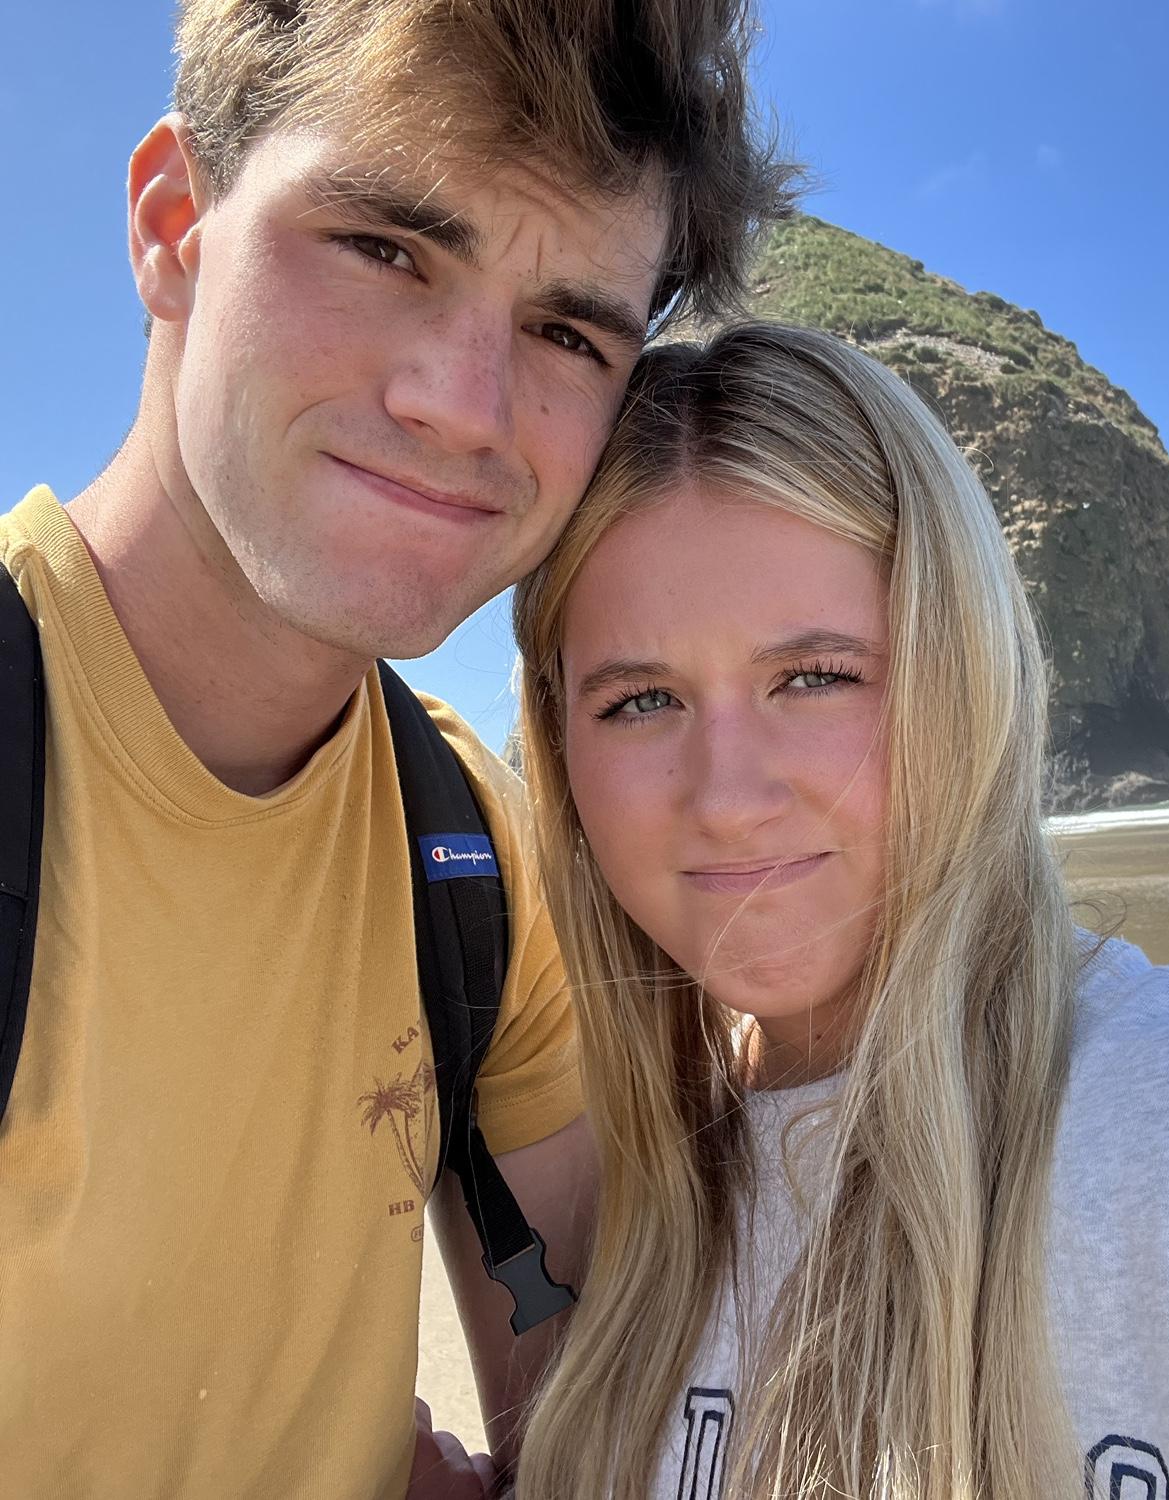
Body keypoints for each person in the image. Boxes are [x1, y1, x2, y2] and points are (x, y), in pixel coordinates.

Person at [0, 3, 793, 1495]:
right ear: (174, 225)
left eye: (567, 332)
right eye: (383, 248)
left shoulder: (470, 852)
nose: (465, 408)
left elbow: (588, 1410)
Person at [508, 322, 1169, 1499]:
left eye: (816, 678)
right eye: (640, 700)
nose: (726, 798)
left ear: (963, 680)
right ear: (560, 748)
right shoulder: (629, 1213)